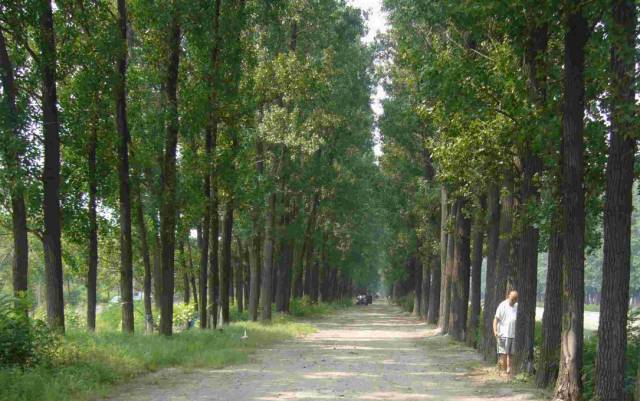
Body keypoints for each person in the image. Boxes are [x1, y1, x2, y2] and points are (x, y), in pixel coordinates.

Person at [493, 290, 518, 375]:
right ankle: (503, 370)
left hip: (513, 334)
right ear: (508, 297)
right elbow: (496, 319)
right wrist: (495, 331)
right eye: (512, 299)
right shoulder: (502, 305)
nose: (513, 301)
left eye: (515, 300)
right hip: (503, 333)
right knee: (503, 353)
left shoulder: (516, 306)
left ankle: (508, 370)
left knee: (511, 354)